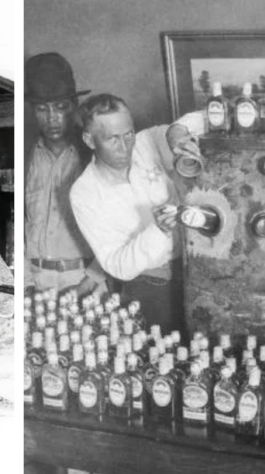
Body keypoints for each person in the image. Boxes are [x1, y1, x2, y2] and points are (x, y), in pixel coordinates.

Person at [69, 93, 187, 333]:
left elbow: (193, 124)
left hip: (193, 272)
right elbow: (116, 265)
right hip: (150, 290)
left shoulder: (146, 143)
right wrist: (158, 230)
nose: (125, 147)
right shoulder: (84, 193)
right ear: (89, 140)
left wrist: (179, 135)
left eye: (128, 134)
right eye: (112, 139)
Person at [24, 52, 106, 295]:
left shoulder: (95, 156)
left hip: (86, 281)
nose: (52, 118)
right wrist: (27, 285)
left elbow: (117, 228)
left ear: (73, 106)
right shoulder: (23, 158)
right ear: (32, 109)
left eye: (60, 107)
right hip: (35, 285)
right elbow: (16, 227)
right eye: (42, 108)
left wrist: (90, 281)